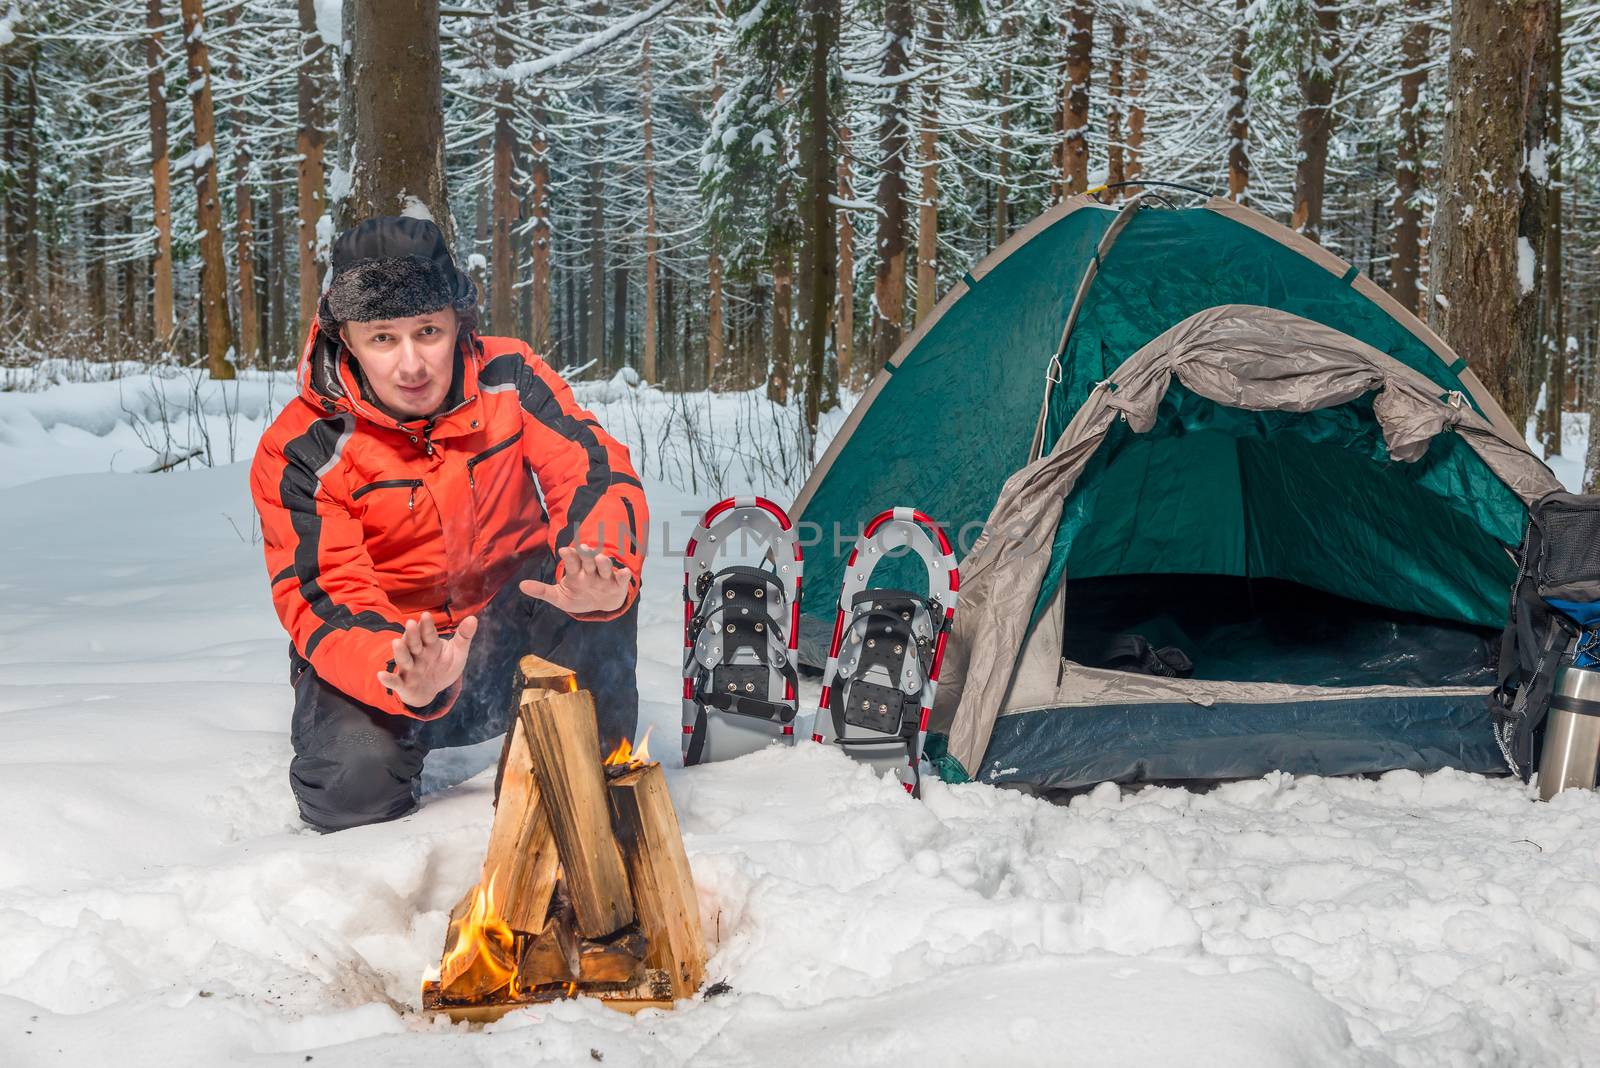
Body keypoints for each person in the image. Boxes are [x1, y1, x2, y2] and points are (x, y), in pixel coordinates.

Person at [249, 215, 648, 832]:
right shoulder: (300, 448)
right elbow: (324, 594)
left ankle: (588, 787)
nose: (412, 365)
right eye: (383, 338)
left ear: (458, 324)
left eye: (428, 331)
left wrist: (602, 563)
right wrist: (401, 667)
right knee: (348, 793)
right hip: (392, 646)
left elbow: (591, 471)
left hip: (511, 621)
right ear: (345, 338)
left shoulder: (510, 378)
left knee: (591, 592)